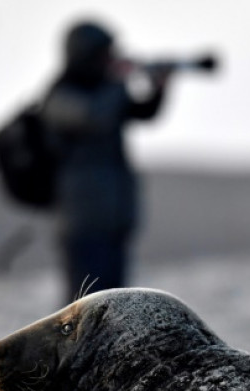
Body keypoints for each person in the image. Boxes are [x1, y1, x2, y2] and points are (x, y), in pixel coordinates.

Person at [41, 20, 171, 305]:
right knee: (83, 308)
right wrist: (118, 81)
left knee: (113, 307)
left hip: (114, 220)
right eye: (104, 55)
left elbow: (142, 112)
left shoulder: (106, 92)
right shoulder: (62, 95)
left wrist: (159, 87)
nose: (109, 61)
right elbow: (94, 117)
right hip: (83, 223)